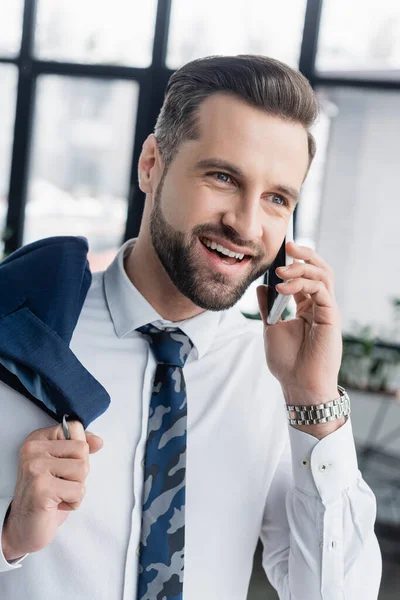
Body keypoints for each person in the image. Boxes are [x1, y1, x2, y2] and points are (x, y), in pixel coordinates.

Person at [0, 55, 381, 600]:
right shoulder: (22, 340)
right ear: (152, 164)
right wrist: (8, 540)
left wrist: (314, 401)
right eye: (223, 177)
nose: (247, 225)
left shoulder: (277, 383)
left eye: (277, 198)